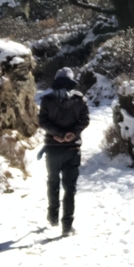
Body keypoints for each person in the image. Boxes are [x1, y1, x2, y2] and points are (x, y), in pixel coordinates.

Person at [39, 67, 89, 237]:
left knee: (53, 182)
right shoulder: (80, 99)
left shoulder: (47, 99)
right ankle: (67, 226)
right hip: (72, 149)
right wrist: (71, 134)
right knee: (70, 188)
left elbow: (43, 121)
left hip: (53, 149)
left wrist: (58, 135)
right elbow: (85, 120)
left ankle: (53, 216)